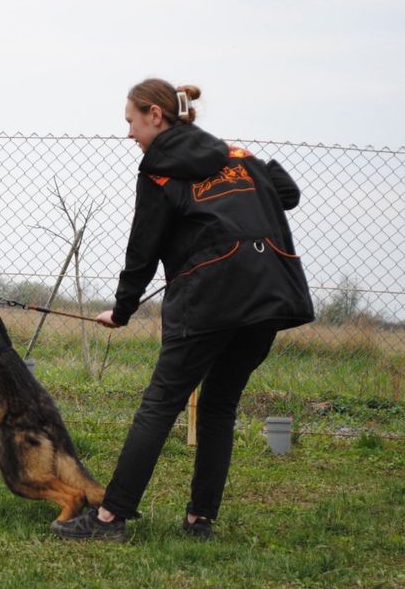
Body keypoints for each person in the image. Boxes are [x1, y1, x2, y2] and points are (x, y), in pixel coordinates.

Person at [52, 78, 314, 542]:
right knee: (219, 407)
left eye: (131, 121)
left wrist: (122, 310)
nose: (129, 133)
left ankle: (111, 519)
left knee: (159, 405)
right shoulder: (239, 157)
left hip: (209, 301)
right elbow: (287, 195)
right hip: (269, 296)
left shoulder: (158, 172)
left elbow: (143, 248)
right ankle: (200, 521)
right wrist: (256, 169)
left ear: (155, 115)